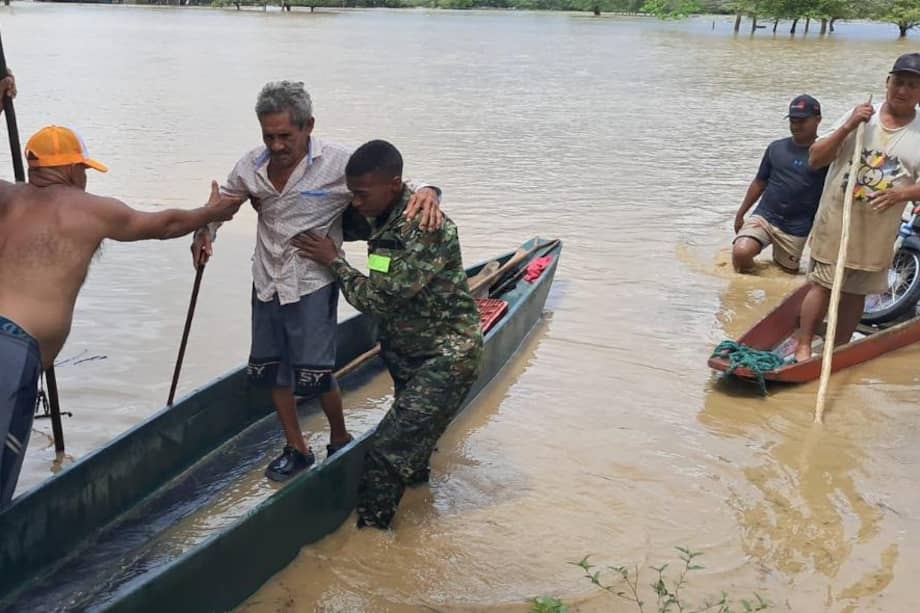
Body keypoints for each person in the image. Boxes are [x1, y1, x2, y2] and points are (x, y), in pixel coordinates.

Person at [191, 81, 442, 482]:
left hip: (312, 281)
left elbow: (396, 182)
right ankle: (297, 448)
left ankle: (339, 438)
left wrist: (430, 191)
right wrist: (206, 233)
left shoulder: (338, 162)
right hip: (267, 278)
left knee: (316, 373)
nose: (276, 146)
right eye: (268, 136)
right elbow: (225, 202)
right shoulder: (250, 166)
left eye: (285, 136)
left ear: (309, 126)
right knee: (275, 371)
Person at [0, 125, 242, 507]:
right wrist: (211, 213)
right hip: (12, 354)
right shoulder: (91, 209)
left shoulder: (6, 195)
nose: (84, 178)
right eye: (84, 170)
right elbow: (163, 226)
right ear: (71, 169)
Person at [294, 140, 483, 530]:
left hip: (445, 359)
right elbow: (334, 206)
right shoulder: (378, 210)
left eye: (362, 195)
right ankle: (421, 511)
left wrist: (336, 262)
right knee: (412, 454)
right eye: (353, 195)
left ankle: (372, 538)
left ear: (393, 186)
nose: (356, 204)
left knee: (386, 452)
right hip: (406, 355)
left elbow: (379, 299)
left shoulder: (424, 227)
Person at [794, 53, 920, 362]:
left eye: (912, 85)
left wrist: (900, 196)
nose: (902, 90)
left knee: (855, 292)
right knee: (821, 284)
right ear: (887, 83)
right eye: (898, 82)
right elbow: (815, 158)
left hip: (878, 230)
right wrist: (848, 125)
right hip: (836, 219)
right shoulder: (863, 116)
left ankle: (836, 352)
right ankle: (803, 346)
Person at [733, 95, 828, 273]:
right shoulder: (776, 148)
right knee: (741, 253)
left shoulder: (826, 155)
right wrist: (741, 212)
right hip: (766, 216)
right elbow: (759, 182)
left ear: (818, 120)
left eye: (802, 120)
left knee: (785, 275)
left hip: (797, 227)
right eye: (793, 120)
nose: (796, 125)